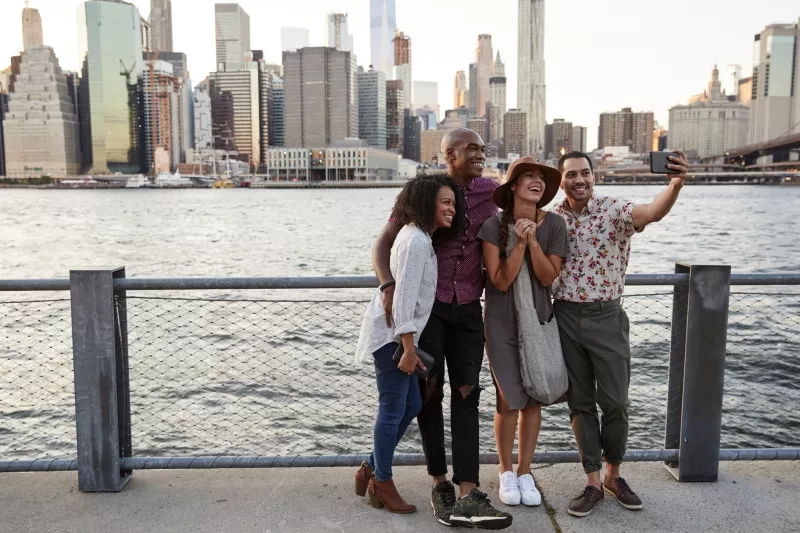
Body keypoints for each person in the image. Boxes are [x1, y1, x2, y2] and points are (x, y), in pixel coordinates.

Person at [371, 128, 513, 529]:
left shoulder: (490, 189)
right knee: (428, 396)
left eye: (483, 148)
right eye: (471, 148)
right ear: (448, 154)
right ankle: (439, 483)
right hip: (429, 311)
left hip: (469, 309)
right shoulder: (422, 191)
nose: (480, 153)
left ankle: (469, 492)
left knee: (468, 395)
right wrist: (388, 285)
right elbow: (381, 244)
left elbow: (529, 193)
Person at [553, 150, 689, 518]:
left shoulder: (614, 210)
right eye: (571, 175)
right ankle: (593, 482)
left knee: (615, 402)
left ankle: (614, 474)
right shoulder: (552, 218)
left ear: (594, 176)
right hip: (563, 315)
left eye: (585, 174)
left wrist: (675, 185)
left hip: (607, 316)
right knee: (580, 403)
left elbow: (652, 212)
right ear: (561, 179)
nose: (579, 180)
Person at [353, 174, 462, 514]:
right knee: (392, 408)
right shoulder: (414, 241)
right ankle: (382, 482)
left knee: (413, 402)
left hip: (398, 334)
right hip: (392, 338)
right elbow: (400, 301)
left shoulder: (420, 238)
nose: (452, 209)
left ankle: (370, 467)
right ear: (427, 202)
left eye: (454, 204)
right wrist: (409, 349)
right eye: (445, 202)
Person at [478, 156, 569, 507]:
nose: (537, 182)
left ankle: (525, 471)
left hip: (541, 322)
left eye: (541, 178)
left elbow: (548, 278)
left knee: (535, 395)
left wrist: (532, 242)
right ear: (512, 186)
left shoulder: (555, 225)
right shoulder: (491, 227)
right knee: (508, 399)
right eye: (528, 176)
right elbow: (500, 282)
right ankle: (505, 471)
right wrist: (517, 242)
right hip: (500, 324)